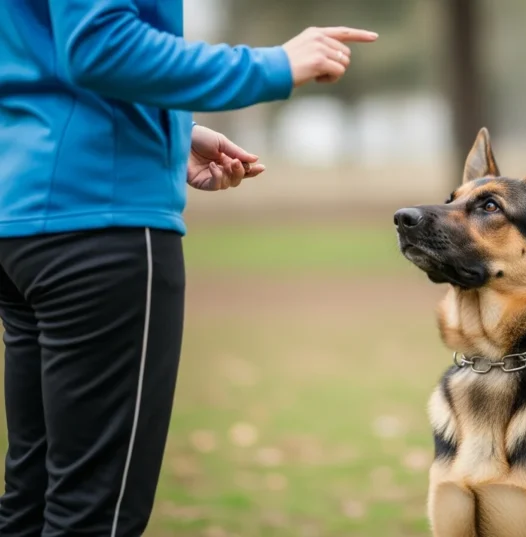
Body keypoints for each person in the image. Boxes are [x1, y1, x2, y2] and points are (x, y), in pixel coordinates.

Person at [0, 1, 377, 535]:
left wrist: (173, 137)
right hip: (99, 227)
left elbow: (45, 54)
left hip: (22, 218)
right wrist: (272, 65)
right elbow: (98, 45)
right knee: (94, 517)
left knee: (30, 503)